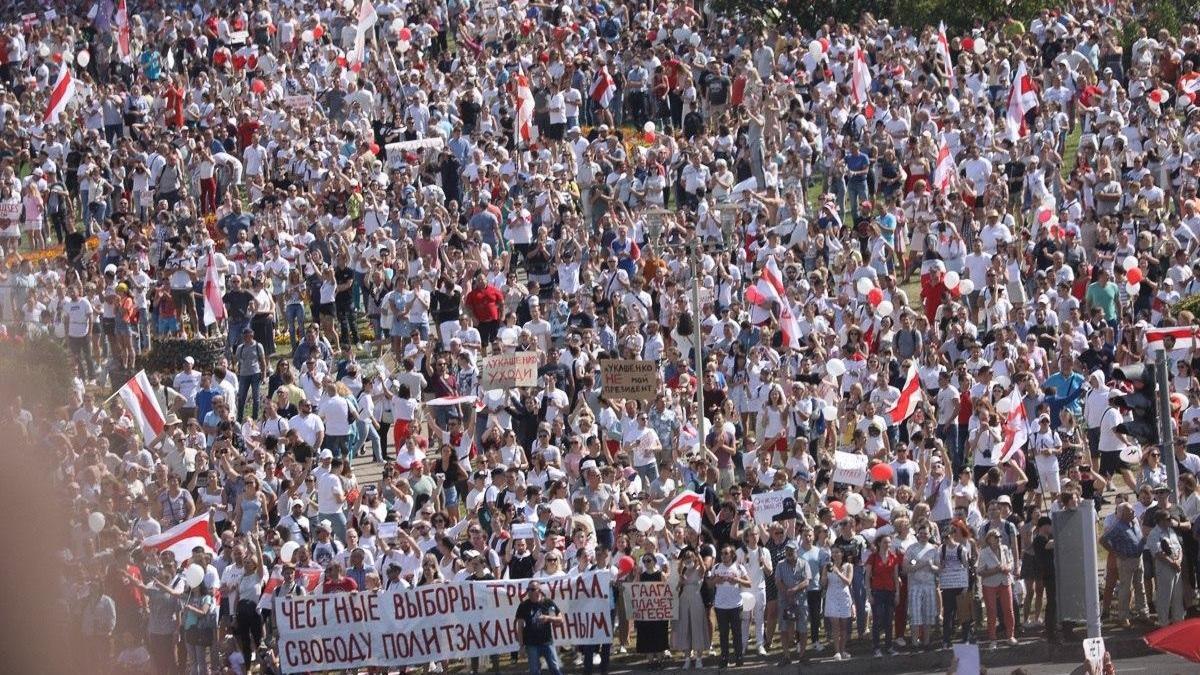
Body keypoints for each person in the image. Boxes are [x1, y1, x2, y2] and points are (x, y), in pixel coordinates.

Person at [709, 544, 750, 668]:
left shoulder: (739, 567)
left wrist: (737, 580)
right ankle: (724, 657)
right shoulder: (716, 567)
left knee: (737, 633)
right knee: (723, 633)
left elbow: (749, 583)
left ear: (732, 555)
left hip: (735, 605)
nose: (723, 556)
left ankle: (738, 656)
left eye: (726, 553)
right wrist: (716, 580)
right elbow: (709, 585)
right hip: (721, 606)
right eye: (722, 553)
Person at [515, 581, 565, 675]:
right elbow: (520, 626)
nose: (529, 592)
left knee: (555, 668)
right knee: (534, 671)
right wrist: (521, 646)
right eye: (528, 589)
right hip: (531, 644)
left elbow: (560, 619)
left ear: (539, 591)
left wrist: (548, 618)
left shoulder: (547, 602)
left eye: (532, 589)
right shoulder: (523, 606)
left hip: (547, 642)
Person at [773, 540, 811, 664]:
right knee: (784, 628)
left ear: (797, 551)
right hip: (784, 600)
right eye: (787, 550)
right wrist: (788, 593)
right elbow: (778, 581)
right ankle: (786, 656)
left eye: (791, 550)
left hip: (801, 600)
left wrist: (794, 589)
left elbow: (807, 581)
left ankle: (802, 655)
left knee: (803, 628)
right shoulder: (780, 564)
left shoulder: (804, 563)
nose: (789, 552)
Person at [673, 546, 711, 669]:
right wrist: (680, 580)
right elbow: (677, 588)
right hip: (684, 600)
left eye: (690, 557)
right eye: (686, 558)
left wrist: (698, 554)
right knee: (685, 627)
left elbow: (704, 567)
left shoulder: (699, 570)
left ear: (694, 558)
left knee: (697, 627)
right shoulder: (683, 572)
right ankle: (687, 658)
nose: (688, 560)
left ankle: (699, 658)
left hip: (696, 599)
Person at [865, 533, 901, 657]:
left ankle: (889, 646)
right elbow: (867, 576)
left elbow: (896, 577)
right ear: (879, 543)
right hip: (877, 591)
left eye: (889, 542)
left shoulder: (893, 557)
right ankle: (876, 648)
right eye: (885, 542)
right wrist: (869, 593)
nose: (888, 545)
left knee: (889, 619)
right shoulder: (873, 557)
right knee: (877, 619)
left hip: (890, 591)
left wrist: (897, 594)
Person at [634, 553, 669, 666]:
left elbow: (667, 591)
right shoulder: (642, 576)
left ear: (654, 561)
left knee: (659, 635)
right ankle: (650, 662)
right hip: (646, 613)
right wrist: (637, 575)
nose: (646, 563)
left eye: (648, 560)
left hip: (658, 612)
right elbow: (634, 590)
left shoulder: (661, 575)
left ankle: (659, 660)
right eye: (644, 561)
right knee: (647, 636)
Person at [824, 544, 854, 661]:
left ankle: (843, 649)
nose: (835, 555)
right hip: (832, 596)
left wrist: (838, 573)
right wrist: (824, 577)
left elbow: (848, 582)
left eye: (837, 552)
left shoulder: (848, 566)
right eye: (833, 552)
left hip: (844, 596)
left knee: (844, 625)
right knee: (835, 625)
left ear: (842, 553)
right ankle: (836, 651)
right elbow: (823, 583)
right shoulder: (827, 566)